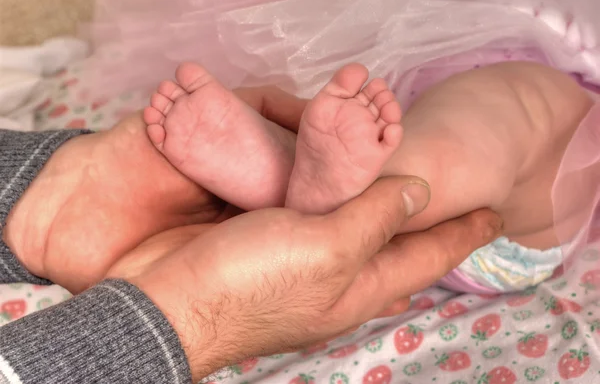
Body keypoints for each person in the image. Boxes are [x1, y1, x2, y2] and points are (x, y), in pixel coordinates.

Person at [0, 86, 502, 383]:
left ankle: (302, 193)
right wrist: (179, 318)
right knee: (521, 103)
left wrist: (45, 203)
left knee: (472, 134)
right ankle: (318, 192)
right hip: (493, 249)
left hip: (397, 249)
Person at [142, 61, 592, 293]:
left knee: (523, 102)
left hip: (503, 222)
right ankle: (304, 182)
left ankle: (343, 185)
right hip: (514, 248)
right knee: (506, 125)